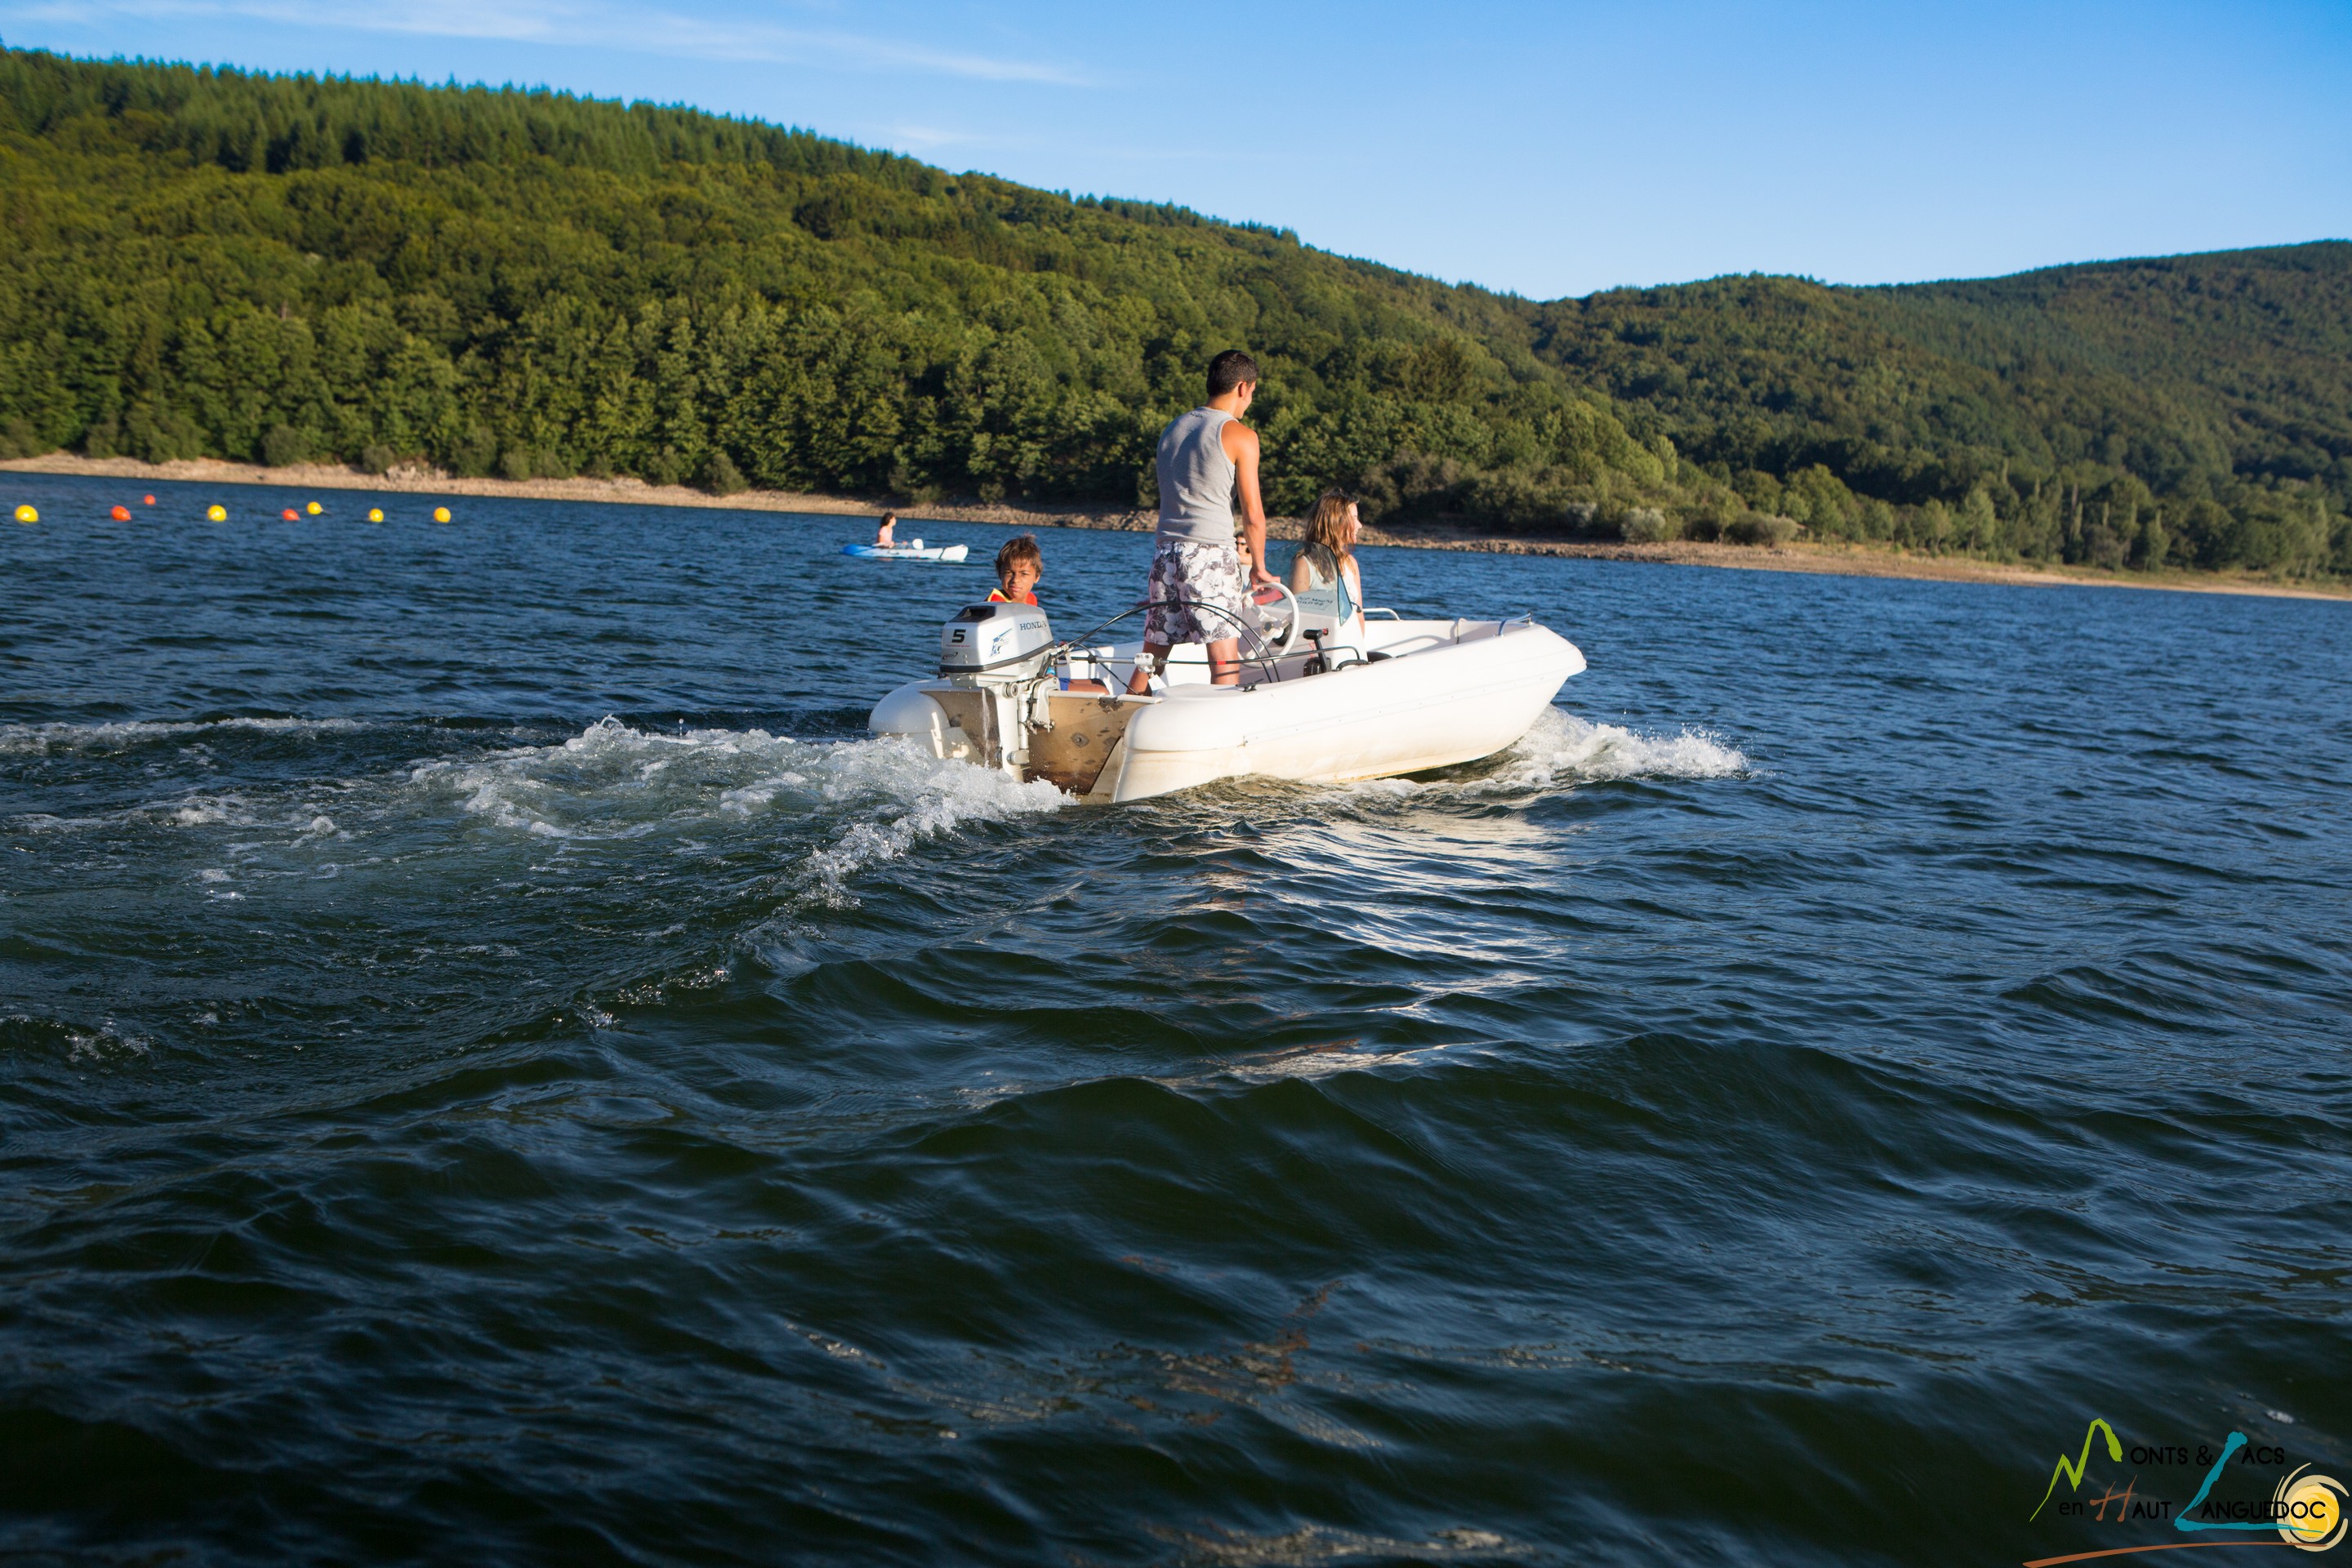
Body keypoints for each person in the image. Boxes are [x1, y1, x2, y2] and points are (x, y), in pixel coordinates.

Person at [1127, 350, 1280, 693]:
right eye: (1252, 392)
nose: (1249, 401)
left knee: (1152, 658)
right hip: (1210, 554)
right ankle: (1226, 722)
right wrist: (1259, 567)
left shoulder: (1173, 428)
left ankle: (1125, 713)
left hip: (1166, 553)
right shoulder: (1241, 435)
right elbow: (1253, 514)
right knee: (1224, 659)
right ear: (1243, 387)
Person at [1287, 488, 1365, 644]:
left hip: (1349, 647)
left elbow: (1359, 617)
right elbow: (1298, 619)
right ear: (1336, 522)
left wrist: (1356, 648)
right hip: (1319, 648)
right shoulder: (1304, 564)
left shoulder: (1351, 564)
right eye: (1354, 518)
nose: (1360, 525)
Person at [989, 534, 1042, 604]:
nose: (1015, 580)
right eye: (1009, 572)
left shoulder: (1031, 599)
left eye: (1024, 574)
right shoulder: (995, 603)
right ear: (999, 573)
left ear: (1037, 577)